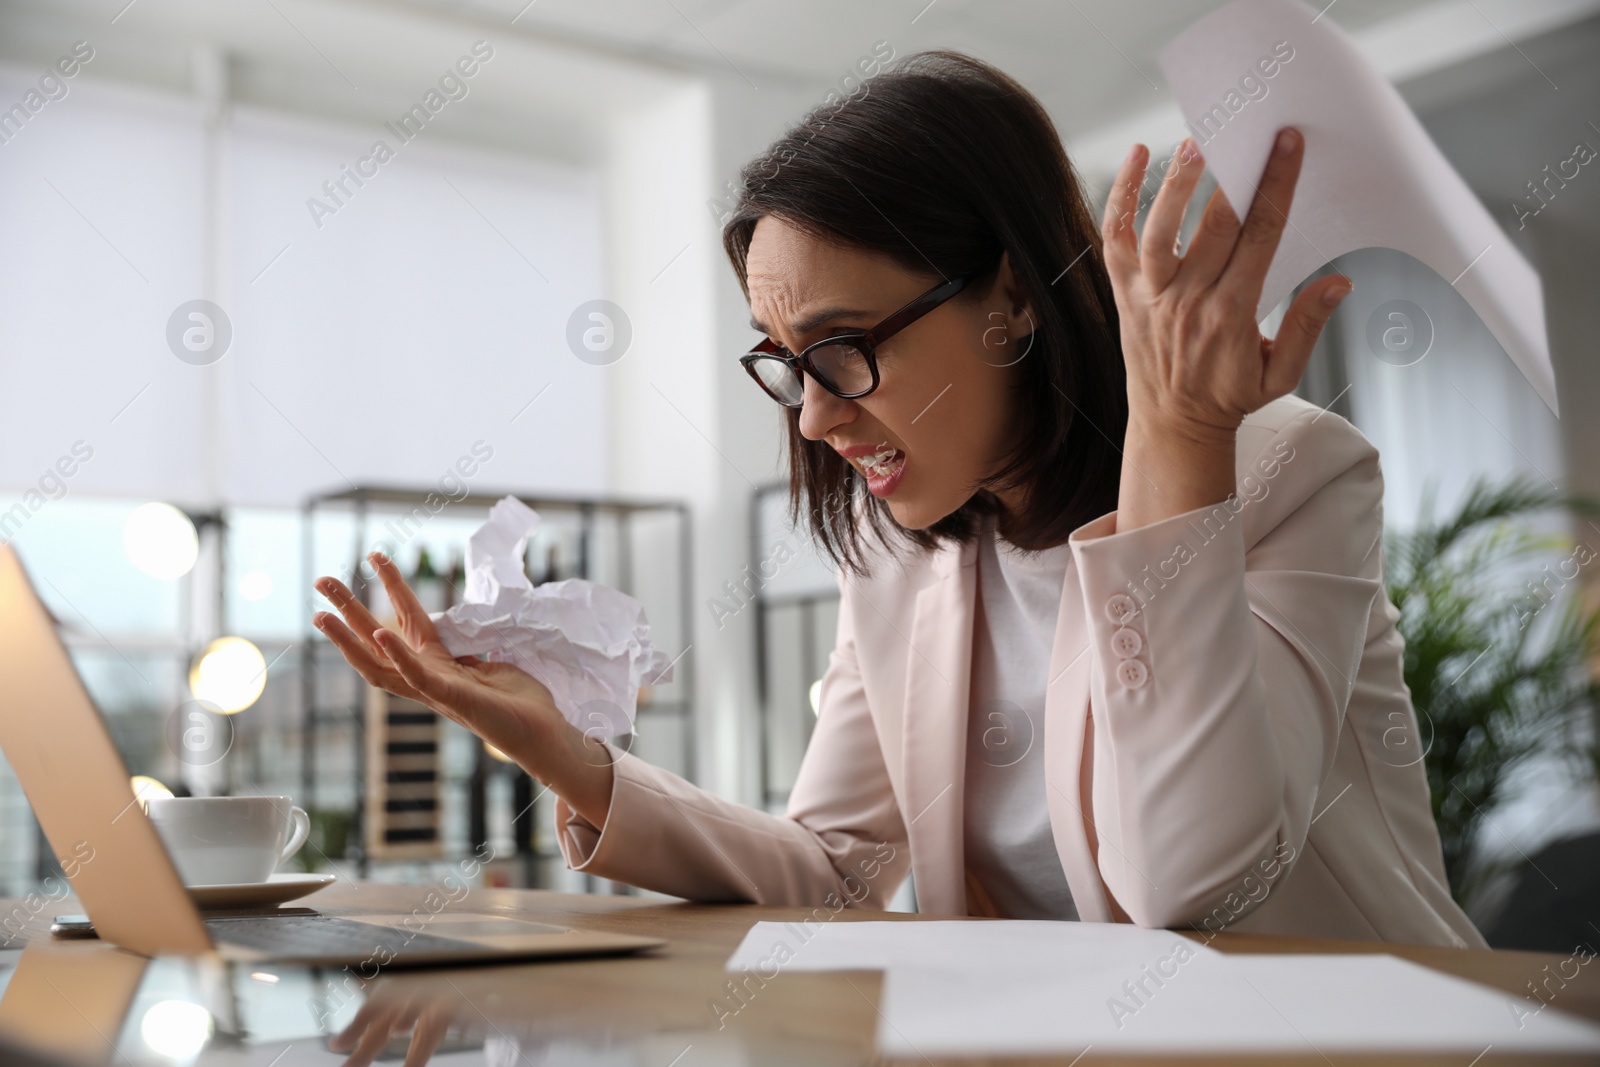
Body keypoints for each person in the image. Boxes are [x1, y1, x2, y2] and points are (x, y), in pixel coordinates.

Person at [314, 51, 1483, 947]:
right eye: (781, 358)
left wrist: (1179, 435)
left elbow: (1196, 885)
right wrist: (573, 760)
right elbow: (835, 867)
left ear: (1011, 298)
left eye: (841, 347)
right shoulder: (899, 547)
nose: (813, 416)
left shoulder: (1292, 473)